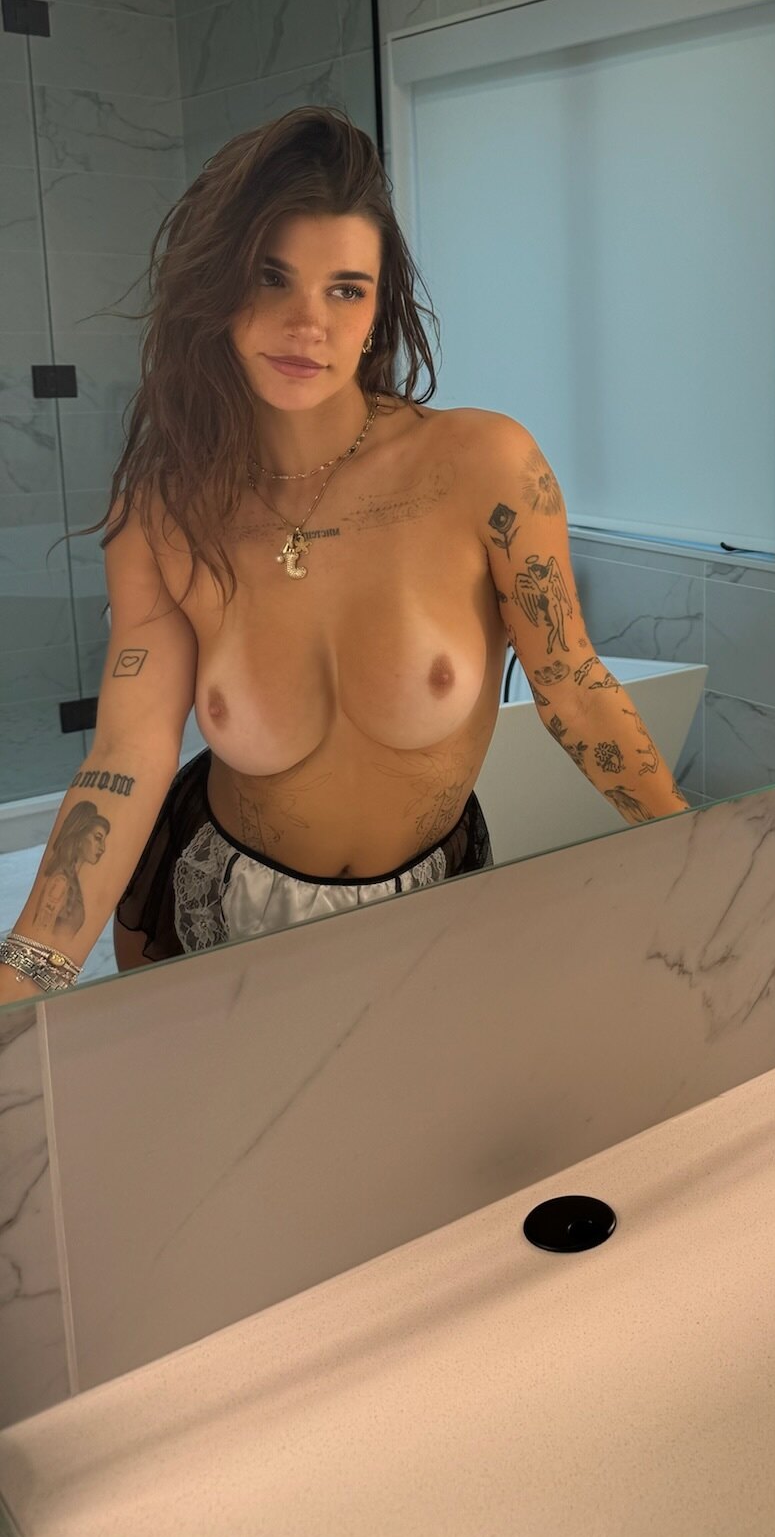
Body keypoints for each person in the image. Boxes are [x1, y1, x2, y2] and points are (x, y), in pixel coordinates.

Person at [0, 108, 688, 1000]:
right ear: (218, 287)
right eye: (272, 277)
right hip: (216, 909)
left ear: (378, 308)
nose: (307, 324)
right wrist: (27, 971)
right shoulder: (166, 512)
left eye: (345, 289)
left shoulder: (483, 466)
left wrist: (694, 846)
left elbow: (573, 683)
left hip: (436, 898)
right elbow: (127, 756)